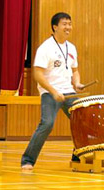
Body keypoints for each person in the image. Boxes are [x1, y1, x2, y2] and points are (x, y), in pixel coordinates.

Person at [21, 12, 84, 171]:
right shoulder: (45, 48)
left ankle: (79, 155)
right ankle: (27, 160)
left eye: (69, 23)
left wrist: (76, 83)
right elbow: (37, 74)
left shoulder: (72, 47)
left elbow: (75, 70)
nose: (68, 27)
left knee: (84, 122)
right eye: (64, 24)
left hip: (69, 93)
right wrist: (53, 91)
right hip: (50, 93)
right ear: (55, 27)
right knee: (47, 124)